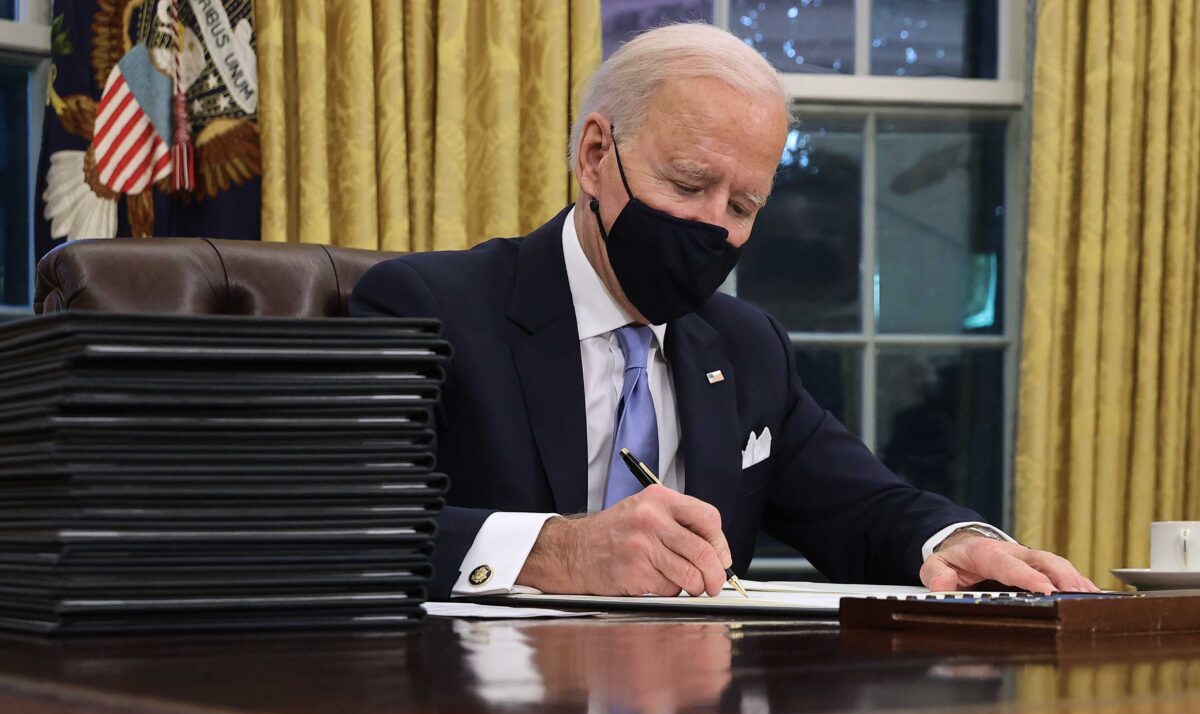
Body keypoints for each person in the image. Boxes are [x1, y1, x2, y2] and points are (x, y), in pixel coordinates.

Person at [351, 23, 1098, 601]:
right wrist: (558, 552)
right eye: (687, 184)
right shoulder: (428, 307)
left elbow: (866, 508)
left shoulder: (745, 347)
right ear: (595, 156)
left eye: (742, 206)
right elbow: (349, 525)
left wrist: (955, 541)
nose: (713, 226)